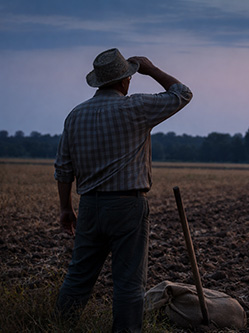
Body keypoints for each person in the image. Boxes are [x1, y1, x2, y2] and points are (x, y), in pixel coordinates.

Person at [54, 48, 192, 332]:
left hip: (89, 206)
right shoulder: (135, 107)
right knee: (128, 283)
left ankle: (58, 327)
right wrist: (151, 69)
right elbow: (182, 93)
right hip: (128, 205)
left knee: (78, 277)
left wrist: (66, 208)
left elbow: (63, 168)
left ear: (98, 81)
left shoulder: (75, 115)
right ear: (125, 81)